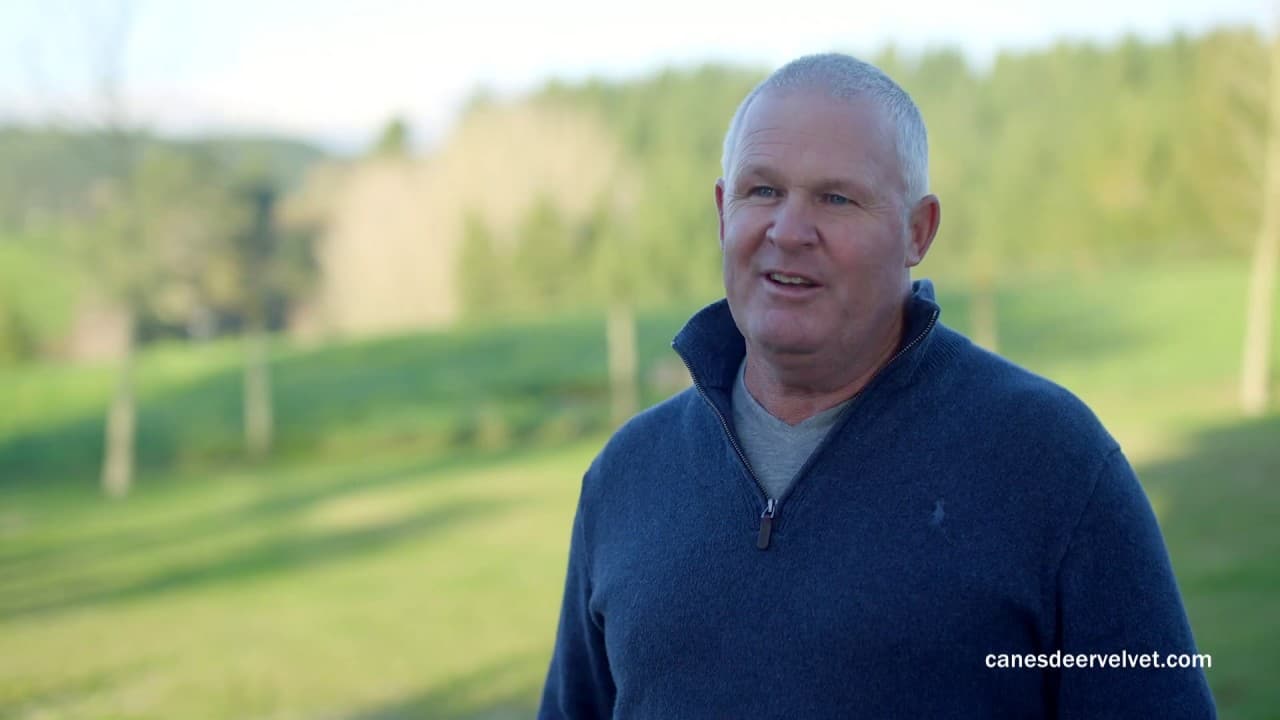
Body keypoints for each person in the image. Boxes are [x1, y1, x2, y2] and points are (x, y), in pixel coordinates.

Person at [538, 52, 1215, 718]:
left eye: (836, 198)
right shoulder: (626, 477)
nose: (789, 230)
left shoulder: (1053, 463)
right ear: (723, 211)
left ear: (917, 231)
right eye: (762, 190)